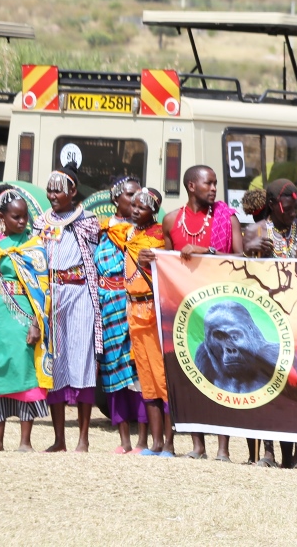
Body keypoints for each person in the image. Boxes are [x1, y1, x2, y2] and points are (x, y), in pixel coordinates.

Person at [164, 165, 243, 461]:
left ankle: (223, 448)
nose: (213, 188)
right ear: (190, 186)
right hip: (185, 308)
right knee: (191, 373)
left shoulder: (227, 216)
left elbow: (239, 255)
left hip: (220, 305)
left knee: (221, 374)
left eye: (216, 183)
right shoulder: (172, 220)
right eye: (208, 183)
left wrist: (206, 252)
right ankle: (198, 446)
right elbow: (167, 264)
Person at [242, 178, 297, 469]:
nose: (292, 213)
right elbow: (239, 270)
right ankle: (267, 452)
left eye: (296, 207)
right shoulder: (254, 231)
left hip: (296, 315)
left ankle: (296, 452)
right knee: (266, 381)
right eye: (287, 208)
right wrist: (249, 249)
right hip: (265, 318)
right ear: (271, 205)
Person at [0, 188, 51, 452]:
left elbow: (42, 291)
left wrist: (36, 324)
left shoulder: (34, 247)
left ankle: (25, 441)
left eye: (25, 217)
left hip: (22, 318)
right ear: (2, 217)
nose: (22, 221)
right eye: (15, 217)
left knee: (24, 373)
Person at [37, 167, 102, 453]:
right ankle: (59, 439)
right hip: (52, 296)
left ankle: (83, 438)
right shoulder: (41, 222)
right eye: (50, 190)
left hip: (79, 294)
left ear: (72, 192)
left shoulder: (88, 221)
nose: (53, 195)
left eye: (58, 190)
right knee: (56, 362)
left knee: (82, 360)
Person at [96, 177, 149, 454]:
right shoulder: (101, 231)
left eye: (139, 196)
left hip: (135, 305)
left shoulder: (143, 232)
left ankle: (142, 440)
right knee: (113, 372)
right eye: (130, 195)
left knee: (138, 372)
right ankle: (124, 440)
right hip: (107, 307)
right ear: (116, 199)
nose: (136, 200)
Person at [128, 188, 173, 457]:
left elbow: (172, 261)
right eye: (133, 205)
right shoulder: (129, 234)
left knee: (162, 379)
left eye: (142, 207)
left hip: (154, 309)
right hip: (133, 310)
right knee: (146, 380)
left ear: (153, 211)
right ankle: (155, 444)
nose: (135, 210)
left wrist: (155, 260)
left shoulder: (159, 235)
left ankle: (169, 443)